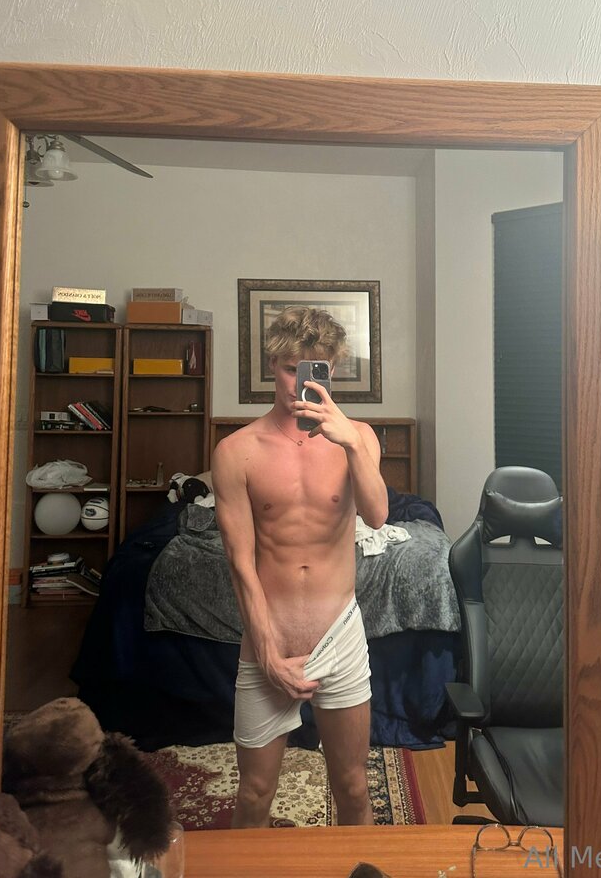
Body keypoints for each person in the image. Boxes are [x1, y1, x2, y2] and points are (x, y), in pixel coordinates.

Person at [211, 306, 388, 827]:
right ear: (272, 365)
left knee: (353, 787)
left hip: (340, 634)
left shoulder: (359, 437)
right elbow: (240, 562)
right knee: (254, 795)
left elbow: (377, 515)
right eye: (291, 368)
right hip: (270, 637)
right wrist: (267, 653)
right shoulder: (236, 451)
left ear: (331, 371)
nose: (300, 383)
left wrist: (348, 440)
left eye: (315, 370)